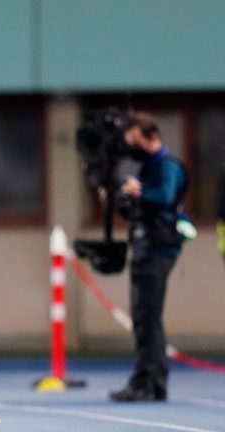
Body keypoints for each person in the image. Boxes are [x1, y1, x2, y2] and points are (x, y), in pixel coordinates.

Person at [108, 113, 187, 402]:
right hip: (145, 246)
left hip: (159, 248)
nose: (132, 149)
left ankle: (150, 382)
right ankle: (148, 380)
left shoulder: (168, 166)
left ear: (152, 137)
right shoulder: (148, 167)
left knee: (148, 318)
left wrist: (138, 191)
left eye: (136, 142)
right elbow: (137, 208)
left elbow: (164, 197)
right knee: (144, 318)